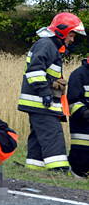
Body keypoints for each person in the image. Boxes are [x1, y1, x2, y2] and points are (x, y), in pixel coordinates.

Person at [19, 13, 84, 172]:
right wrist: (45, 93)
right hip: (41, 101)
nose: (72, 40)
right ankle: (59, 170)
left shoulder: (50, 46)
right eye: (71, 35)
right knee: (52, 135)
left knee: (38, 137)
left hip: (39, 102)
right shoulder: (46, 45)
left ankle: (34, 169)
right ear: (62, 31)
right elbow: (34, 71)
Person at [67, 57, 89, 177]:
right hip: (82, 126)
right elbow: (72, 101)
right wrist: (85, 113)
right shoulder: (78, 75)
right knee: (81, 158)